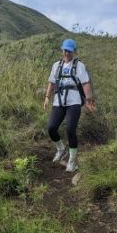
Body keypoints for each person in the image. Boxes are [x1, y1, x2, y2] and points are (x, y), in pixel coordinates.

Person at [43, 38, 95, 173]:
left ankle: (72, 161)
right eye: (65, 50)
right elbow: (51, 82)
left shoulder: (79, 65)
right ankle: (61, 149)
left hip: (74, 101)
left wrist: (88, 100)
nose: (67, 53)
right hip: (58, 101)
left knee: (70, 129)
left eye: (69, 51)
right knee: (51, 128)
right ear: (62, 50)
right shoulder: (56, 65)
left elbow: (85, 83)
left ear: (74, 52)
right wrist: (47, 97)